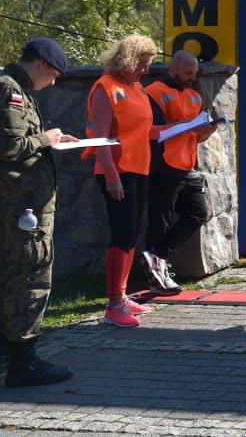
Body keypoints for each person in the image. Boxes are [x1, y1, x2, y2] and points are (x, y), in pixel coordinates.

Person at [0, 38, 77, 387]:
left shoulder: (17, 88)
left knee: (14, 273)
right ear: (42, 64)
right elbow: (10, 146)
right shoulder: (10, 91)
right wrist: (47, 139)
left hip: (20, 204)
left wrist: (52, 140)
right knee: (29, 275)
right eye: (55, 74)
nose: (54, 82)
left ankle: (12, 353)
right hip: (21, 207)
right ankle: (24, 362)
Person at [83, 34, 161, 327]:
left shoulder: (136, 87)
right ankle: (113, 305)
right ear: (128, 60)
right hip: (117, 170)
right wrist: (112, 176)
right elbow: (101, 137)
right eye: (143, 63)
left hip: (139, 168)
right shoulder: (105, 87)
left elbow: (145, 130)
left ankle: (122, 296)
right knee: (122, 232)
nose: (147, 70)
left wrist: (185, 128)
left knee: (132, 233)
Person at [140, 51, 216, 295]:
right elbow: (150, 130)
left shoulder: (194, 96)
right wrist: (182, 126)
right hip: (162, 165)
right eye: (187, 73)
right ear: (173, 71)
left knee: (198, 213)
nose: (192, 77)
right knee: (159, 222)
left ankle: (158, 255)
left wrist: (205, 132)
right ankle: (157, 277)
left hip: (187, 165)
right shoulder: (154, 92)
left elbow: (195, 136)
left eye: (194, 73)